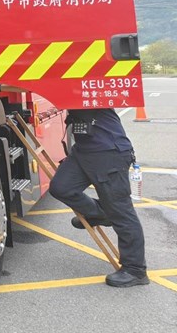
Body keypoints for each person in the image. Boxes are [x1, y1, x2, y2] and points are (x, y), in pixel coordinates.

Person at [48, 108, 148, 287]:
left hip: (108, 151)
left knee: (121, 211)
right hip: (83, 151)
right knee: (61, 187)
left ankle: (135, 270)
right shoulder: (65, 85)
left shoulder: (90, 84)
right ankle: (101, 214)